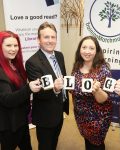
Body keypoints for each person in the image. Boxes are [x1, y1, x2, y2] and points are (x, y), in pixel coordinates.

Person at [25, 22, 69, 150]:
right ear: (38, 40)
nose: (50, 41)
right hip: (45, 115)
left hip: (59, 111)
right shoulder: (32, 63)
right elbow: (38, 92)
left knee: (54, 143)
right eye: (46, 37)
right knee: (45, 146)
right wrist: (55, 88)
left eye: (53, 37)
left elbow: (64, 79)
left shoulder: (60, 55)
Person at [0, 31, 41, 150]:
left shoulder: (13, 64)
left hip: (21, 121)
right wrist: (29, 89)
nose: (13, 49)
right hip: (9, 125)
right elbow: (7, 99)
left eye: (15, 45)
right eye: (8, 45)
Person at [70, 36, 113, 150]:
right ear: (79, 49)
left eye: (91, 48)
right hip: (80, 116)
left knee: (96, 145)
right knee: (88, 141)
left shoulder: (103, 70)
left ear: (96, 51)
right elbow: (74, 88)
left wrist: (97, 90)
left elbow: (103, 99)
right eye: (84, 47)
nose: (87, 51)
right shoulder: (77, 66)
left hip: (98, 118)